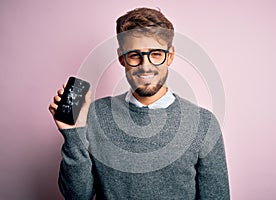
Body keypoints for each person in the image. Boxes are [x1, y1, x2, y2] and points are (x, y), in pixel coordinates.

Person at [49, 7, 230, 200]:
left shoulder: (204, 123)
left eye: (156, 54)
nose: (145, 66)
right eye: (135, 55)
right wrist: (73, 134)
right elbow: (77, 196)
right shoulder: (94, 115)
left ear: (170, 55)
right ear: (121, 57)